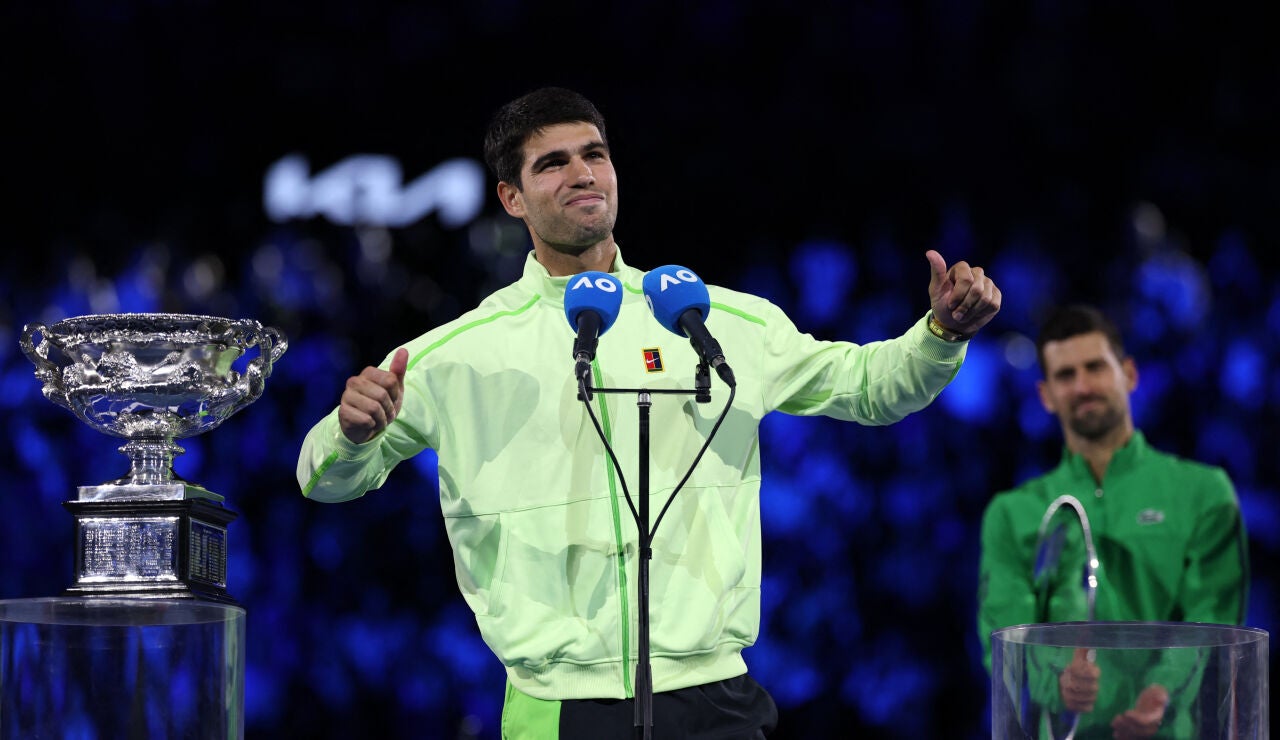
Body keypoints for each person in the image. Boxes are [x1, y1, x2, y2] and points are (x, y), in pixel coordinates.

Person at [297, 86, 1002, 739]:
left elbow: (868, 387)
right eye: (552, 164)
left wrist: (940, 336)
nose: (582, 174)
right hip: (557, 704)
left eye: (594, 154)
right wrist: (351, 432)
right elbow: (323, 477)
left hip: (714, 695)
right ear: (512, 198)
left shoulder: (712, 318)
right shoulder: (457, 354)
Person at [977, 304, 1249, 739]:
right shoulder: (1012, 514)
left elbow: (1212, 616)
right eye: (1066, 375)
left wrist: (1161, 694)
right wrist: (1058, 682)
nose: (1082, 386)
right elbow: (1006, 642)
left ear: (1129, 374)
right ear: (1045, 395)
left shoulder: (1204, 493)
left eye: (1095, 368)